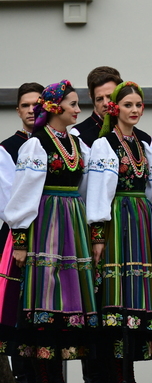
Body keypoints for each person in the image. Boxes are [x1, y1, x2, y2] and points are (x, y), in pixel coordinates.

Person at [2, 80, 98, 382]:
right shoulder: (36, 144)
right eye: (73, 104)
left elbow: (85, 187)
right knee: (44, 297)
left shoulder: (77, 143)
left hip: (72, 223)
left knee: (68, 303)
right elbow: (23, 194)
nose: (78, 109)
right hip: (46, 225)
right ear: (56, 108)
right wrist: (20, 241)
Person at [86, 81, 152, 382]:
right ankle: (115, 371)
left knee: (137, 297)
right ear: (115, 108)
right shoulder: (104, 144)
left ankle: (128, 369)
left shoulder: (145, 145)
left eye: (138, 105)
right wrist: (98, 235)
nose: (134, 110)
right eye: (128, 105)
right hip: (117, 220)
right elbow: (98, 193)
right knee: (116, 294)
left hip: (142, 222)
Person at [0, 82, 43, 383]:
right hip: (19, 237)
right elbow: (7, 200)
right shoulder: (7, 149)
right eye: (26, 105)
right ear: (17, 110)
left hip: (55, 232)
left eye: (37, 104)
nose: (31, 110)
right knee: (18, 311)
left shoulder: (60, 143)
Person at [70, 66, 122, 147]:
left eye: (110, 96)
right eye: (100, 98)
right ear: (91, 96)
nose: (106, 103)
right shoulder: (78, 133)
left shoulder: (137, 135)